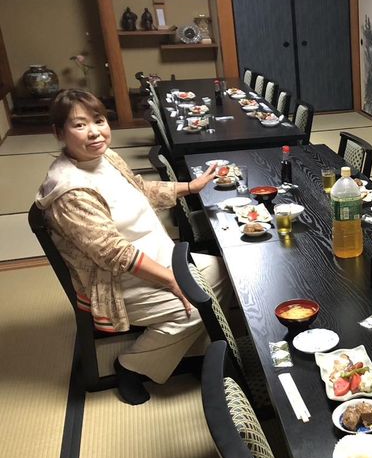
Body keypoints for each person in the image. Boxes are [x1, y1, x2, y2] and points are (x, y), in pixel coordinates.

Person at [36, 89, 228, 406]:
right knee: (197, 308)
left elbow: (139, 189)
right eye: (80, 125)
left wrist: (190, 187)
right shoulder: (70, 190)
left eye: (98, 120)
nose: (95, 132)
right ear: (59, 133)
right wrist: (171, 280)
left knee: (227, 274)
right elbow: (115, 252)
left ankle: (188, 349)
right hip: (117, 282)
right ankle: (131, 366)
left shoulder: (106, 157)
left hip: (161, 259)